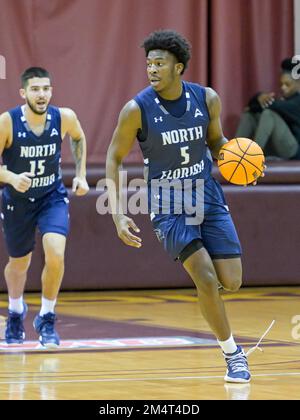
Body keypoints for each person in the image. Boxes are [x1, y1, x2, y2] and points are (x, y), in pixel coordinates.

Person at [106, 30, 252, 383]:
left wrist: (239, 159)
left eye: (159, 64)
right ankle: (233, 354)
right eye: (149, 64)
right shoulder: (136, 110)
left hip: (207, 194)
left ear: (179, 67)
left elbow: (217, 142)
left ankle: (210, 304)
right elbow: (114, 157)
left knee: (230, 282)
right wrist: (118, 212)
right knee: (204, 276)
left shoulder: (207, 99)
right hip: (167, 202)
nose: (152, 70)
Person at [0, 67, 89, 348]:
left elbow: (78, 137)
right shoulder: (7, 122)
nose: (42, 94)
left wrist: (81, 174)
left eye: (46, 89)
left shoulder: (64, 117)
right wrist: (12, 177)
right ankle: (15, 311)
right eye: (36, 89)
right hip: (17, 201)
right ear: (23, 93)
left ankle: (47, 317)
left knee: (55, 254)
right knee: (19, 263)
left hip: (51, 197)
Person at [236, 57, 300, 159]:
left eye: (287, 84)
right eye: (281, 84)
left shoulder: (297, 102)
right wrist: (258, 100)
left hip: (293, 152)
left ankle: (253, 157)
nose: (283, 88)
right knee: (250, 115)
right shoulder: (284, 100)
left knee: (268, 114)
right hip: (277, 146)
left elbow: (273, 105)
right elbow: (258, 106)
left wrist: (259, 98)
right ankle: (234, 153)